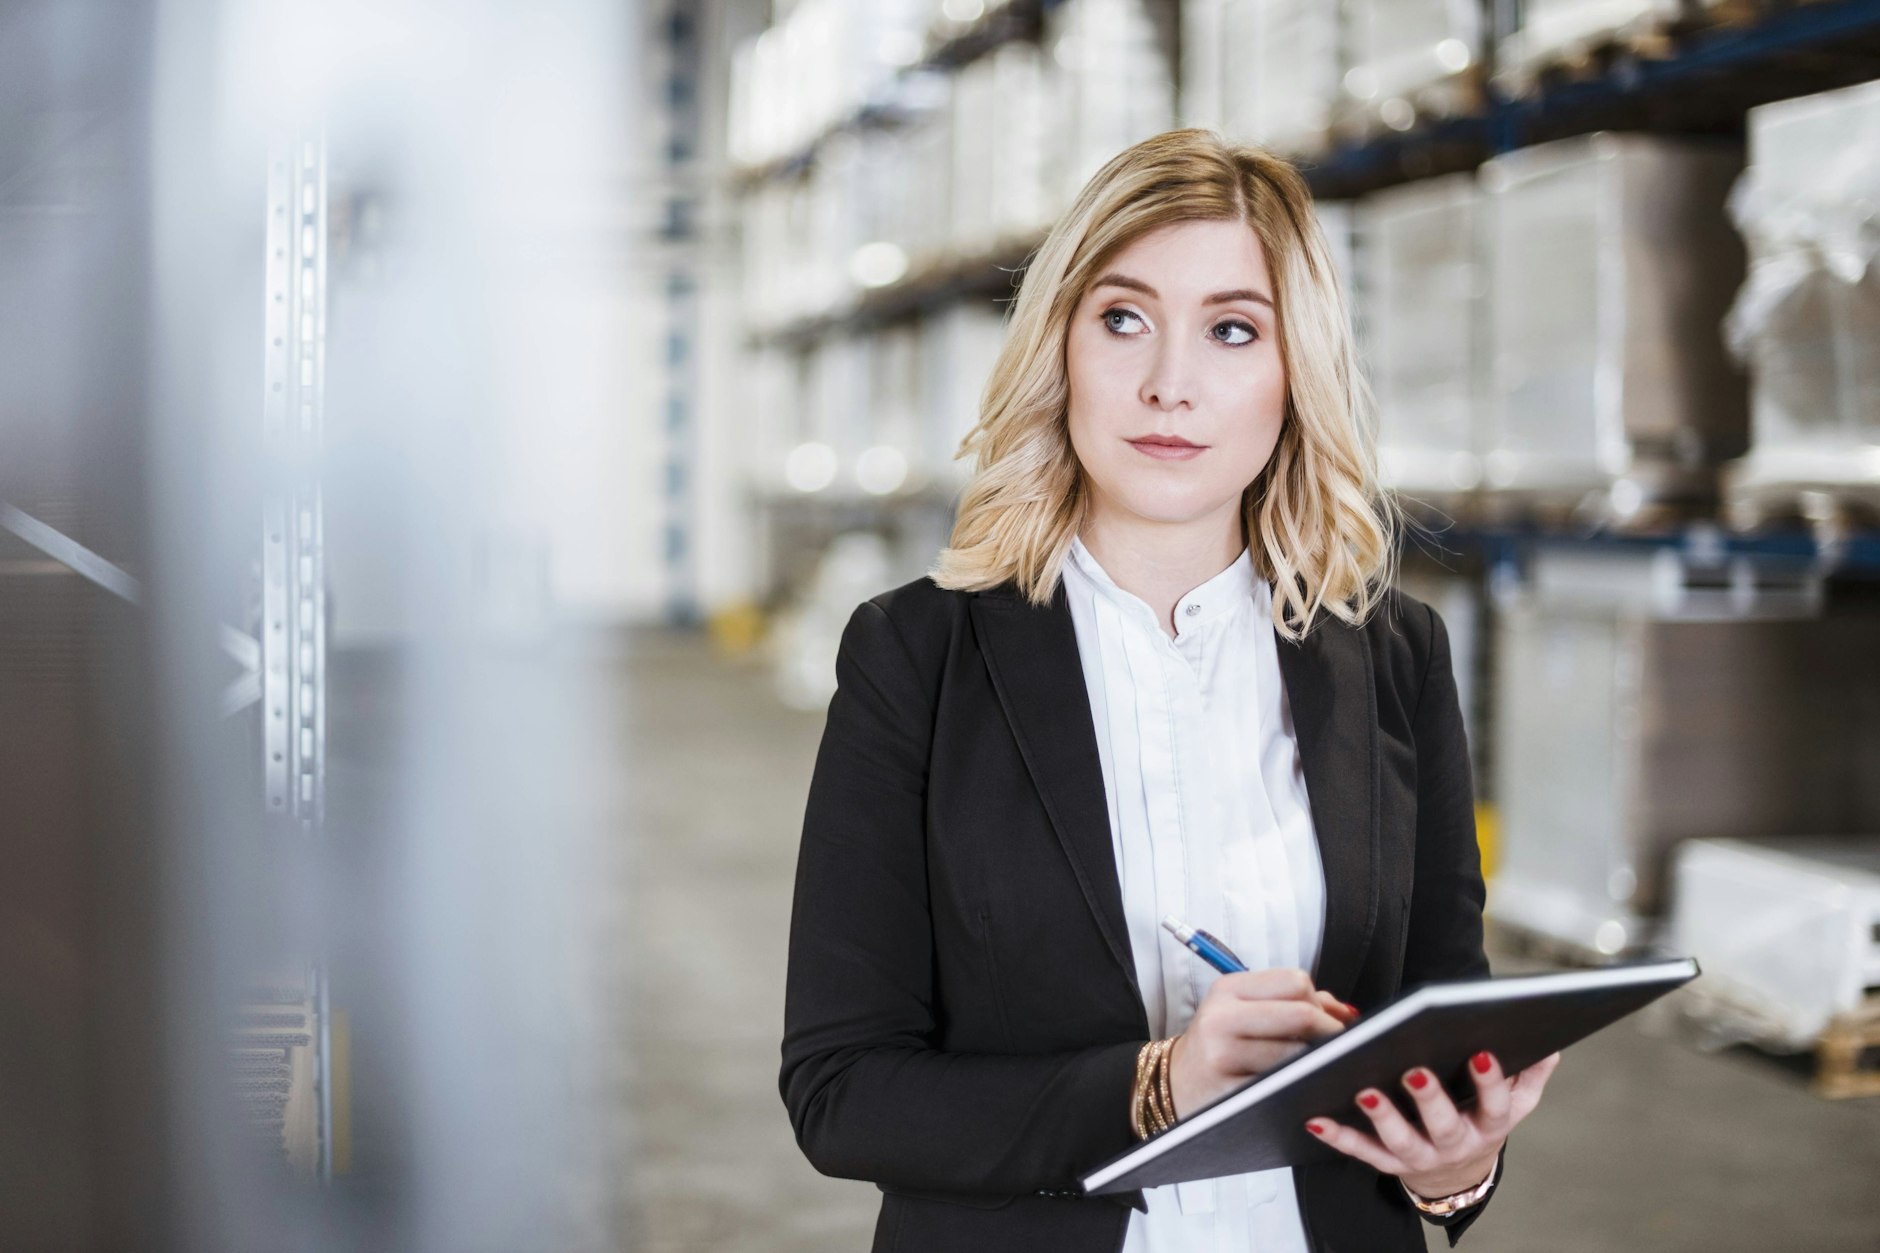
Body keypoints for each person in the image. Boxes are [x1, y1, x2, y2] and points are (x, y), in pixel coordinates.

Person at [779, 128, 1560, 1253]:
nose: (1168, 384)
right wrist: (1156, 1086)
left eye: (1231, 329)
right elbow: (840, 1089)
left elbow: (1439, 1035)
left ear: (1294, 373)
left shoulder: (1395, 657)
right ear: (1061, 344)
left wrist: (1457, 1163)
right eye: (1122, 318)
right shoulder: (916, 656)